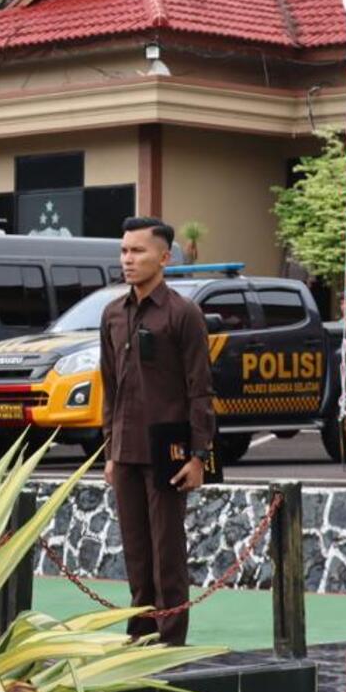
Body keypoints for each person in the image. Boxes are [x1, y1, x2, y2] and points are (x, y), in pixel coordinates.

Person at [99, 216, 215, 646]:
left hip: (169, 447)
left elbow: (201, 391)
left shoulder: (183, 314)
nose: (128, 259)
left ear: (164, 257)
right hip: (126, 448)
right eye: (124, 251)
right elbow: (109, 386)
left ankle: (170, 642)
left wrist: (200, 456)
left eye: (138, 251)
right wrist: (110, 452)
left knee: (167, 553)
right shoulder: (113, 313)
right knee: (135, 551)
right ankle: (139, 637)